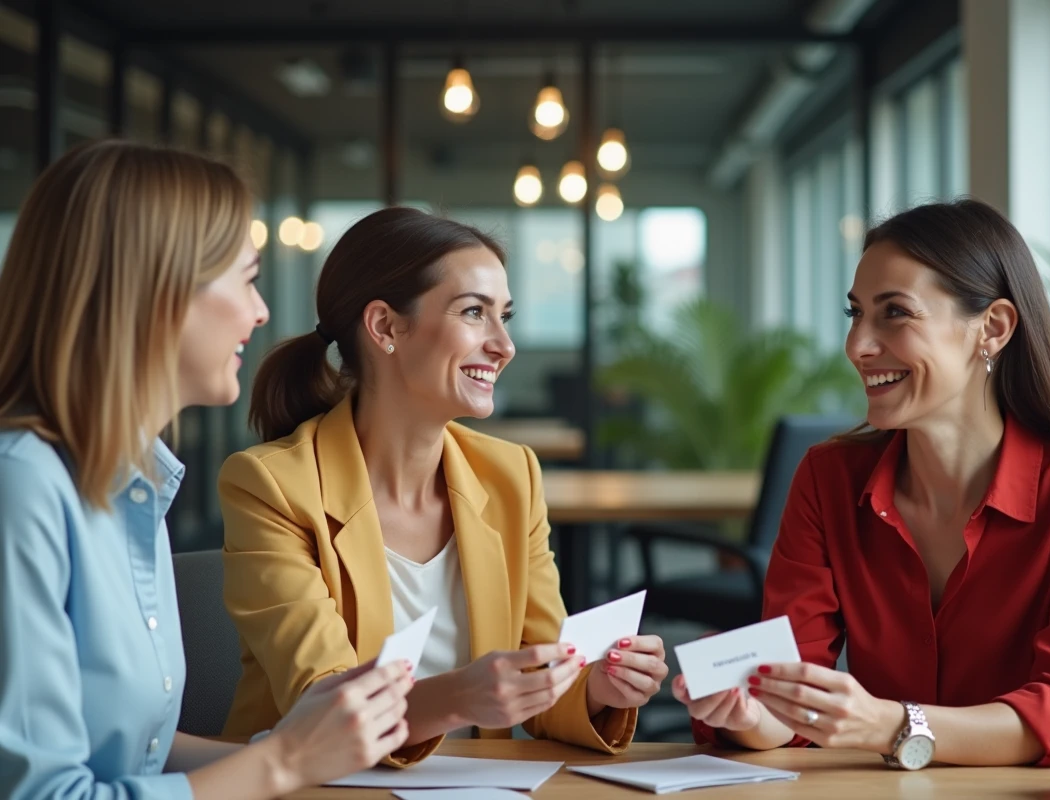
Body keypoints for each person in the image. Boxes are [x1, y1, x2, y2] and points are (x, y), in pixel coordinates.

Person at [0, 141, 413, 800]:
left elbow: (134, 755)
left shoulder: (130, 487)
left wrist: (292, 744)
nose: (261, 311)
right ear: (158, 290)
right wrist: (285, 764)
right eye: (247, 277)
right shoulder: (22, 489)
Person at [673, 199, 1050, 769]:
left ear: (992, 328)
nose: (858, 346)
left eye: (894, 313)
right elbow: (795, 687)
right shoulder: (828, 479)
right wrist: (754, 716)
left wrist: (895, 724)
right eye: (855, 315)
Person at [218, 206, 668, 766]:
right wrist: (460, 696)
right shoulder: (272, 486)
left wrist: (596, 687)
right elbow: (326, 705)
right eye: (474, 312)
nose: (504, 345)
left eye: (505, 316)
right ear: (385, 327)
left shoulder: (511, 477)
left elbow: (541, 672)